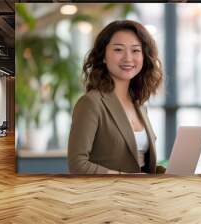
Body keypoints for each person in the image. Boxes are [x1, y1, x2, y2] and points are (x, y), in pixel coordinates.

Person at [68, 20, 165, 174]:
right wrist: (124, 178)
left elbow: (139, 163)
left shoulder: (139, 104)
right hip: (107, 195)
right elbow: (78, 165)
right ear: (103, 56)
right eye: (118, 50)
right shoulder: (91, 103)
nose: (128, 58)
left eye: (135, 50)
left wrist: (167, 171)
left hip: (142, 194)